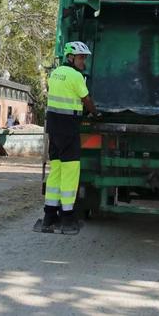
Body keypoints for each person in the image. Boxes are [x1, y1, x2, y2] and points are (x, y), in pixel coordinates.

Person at [40, 41, 99, 235]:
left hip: (54, 128)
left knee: (56, 170)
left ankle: (49, 216)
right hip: (68, 129)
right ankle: (67, 217)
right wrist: (95, 113)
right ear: (71, 58)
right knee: (70, 171)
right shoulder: (76, 76)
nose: (84, 62)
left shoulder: (55, 74)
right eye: (81, 58)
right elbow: (86, 100)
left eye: (85, 58)